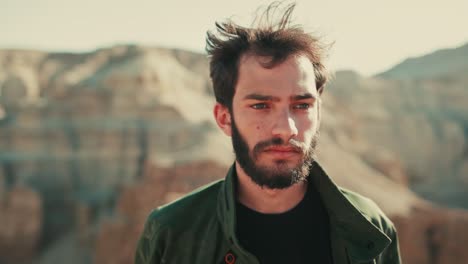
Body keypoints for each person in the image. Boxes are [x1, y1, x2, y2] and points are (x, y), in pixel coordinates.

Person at [135, 2, 402, 264]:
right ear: (224, 118)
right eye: (261, 105)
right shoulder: (171, 233)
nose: (286, 129)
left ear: (319, 112)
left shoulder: (370, 227)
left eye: (301, 105)